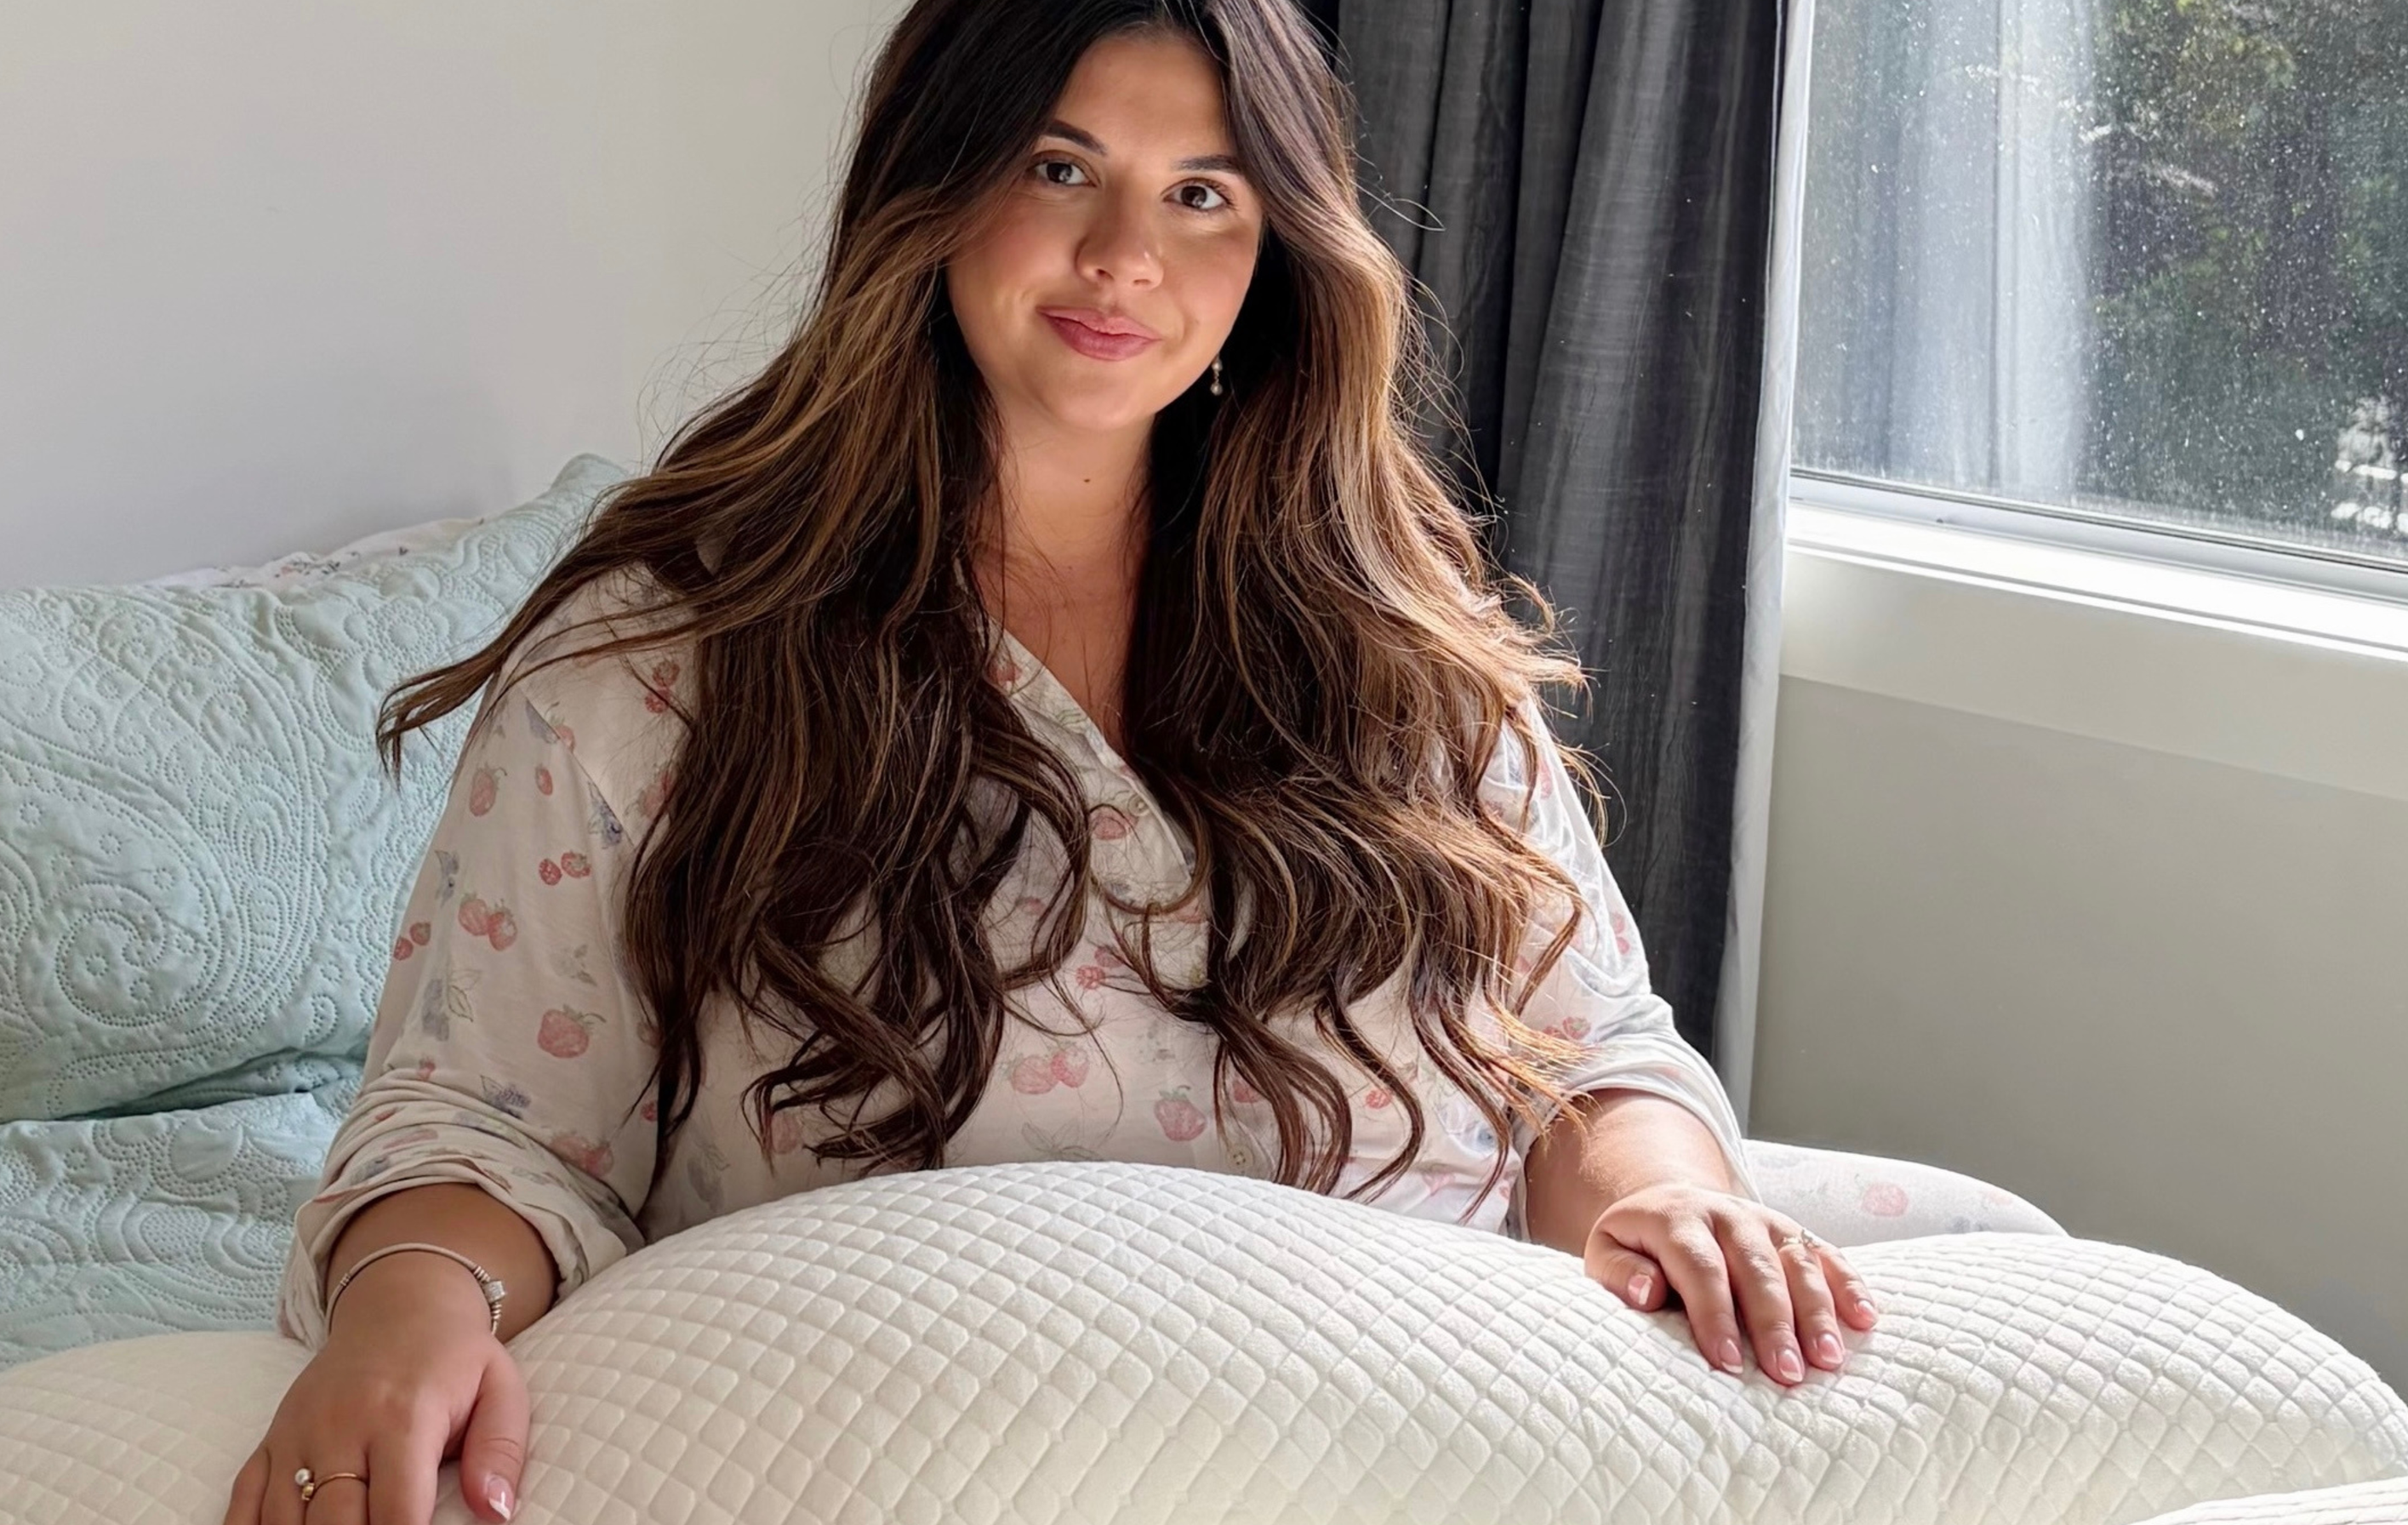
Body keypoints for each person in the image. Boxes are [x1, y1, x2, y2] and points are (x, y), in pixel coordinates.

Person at [226, 3, 1875, 1521]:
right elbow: (486, 1128)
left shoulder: (1401, 653)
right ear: (931, 189)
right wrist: (409, 1300)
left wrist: (1668, 1196)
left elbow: (1588, 1057)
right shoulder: (660, 671)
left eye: (1203, 197)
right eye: (1060, 167)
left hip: (1436, 1454)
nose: (1121, 256)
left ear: (1275, 254)